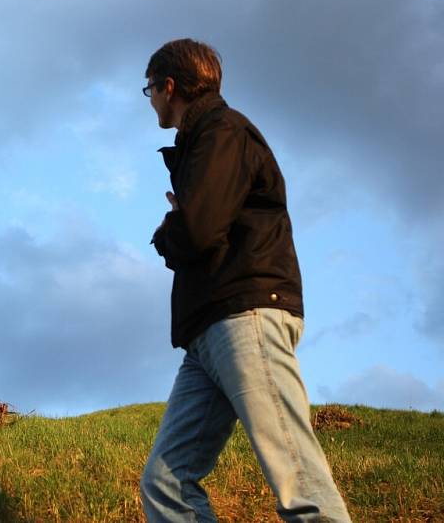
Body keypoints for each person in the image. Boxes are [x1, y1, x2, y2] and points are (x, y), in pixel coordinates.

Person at [139, 39, 351, 522]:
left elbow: (196, 231)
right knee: (166, 484)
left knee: (300, 482)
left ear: (169, 86)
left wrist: (169, 230)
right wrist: (186, 222)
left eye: (149, 88)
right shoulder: (203, 141)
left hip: (244, 318)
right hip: (208, 330)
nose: (149, 98)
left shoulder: (222, 132)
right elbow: (205, 226)